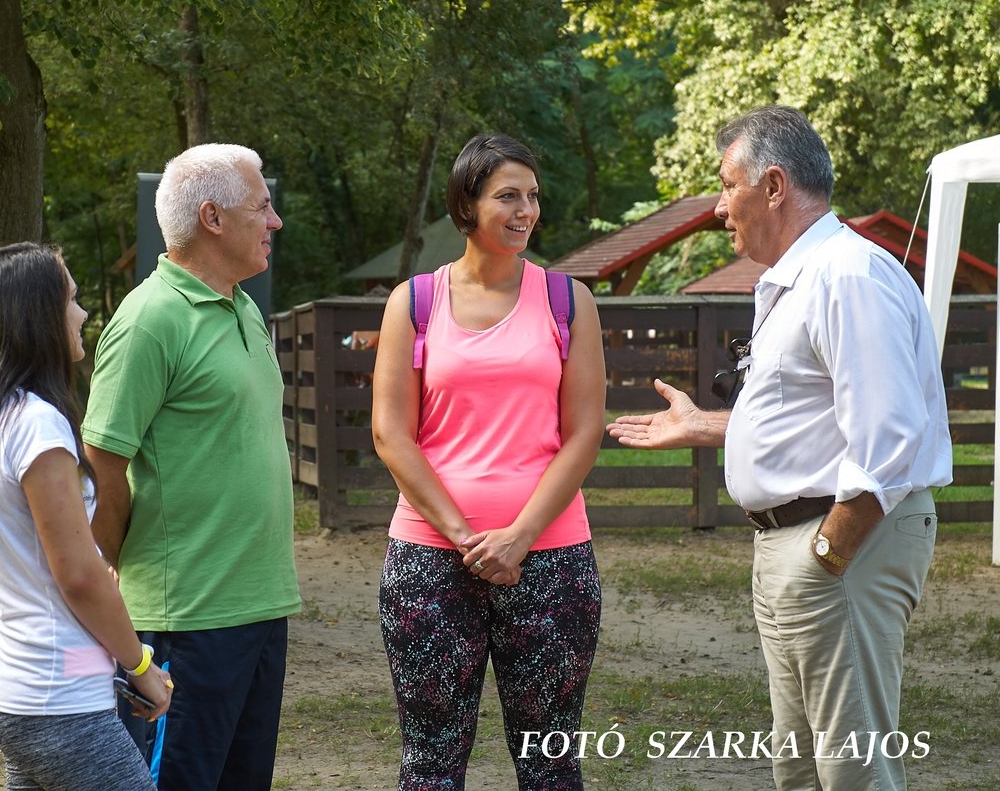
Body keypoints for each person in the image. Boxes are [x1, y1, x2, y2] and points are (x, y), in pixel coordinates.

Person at [607, 105, 951, 791]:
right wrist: (709, 427)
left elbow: (888, 434)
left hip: (840, 543)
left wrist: (829, 554)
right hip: (801, 544)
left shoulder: (847, 274)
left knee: (852, 769)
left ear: (772, 186)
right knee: (801, 768)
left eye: (725, 185)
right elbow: (816, 419)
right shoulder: (809, 274)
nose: (717, 207)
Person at [371, 133, 608, 790]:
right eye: (507, 196)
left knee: (550, 764)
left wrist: (519, 538)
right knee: (430, 765)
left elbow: (584, 432)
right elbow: (391, 434)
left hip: (551, 561)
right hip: (429, 563)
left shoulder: (568, 302)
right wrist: (465, 538)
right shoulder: (413, 304)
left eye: (533, 196)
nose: (525, 210)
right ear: (465, 206)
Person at [83, 143, 300, 791]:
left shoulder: (244, 307)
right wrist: (114, 579)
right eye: (263, 206)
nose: (275, 221)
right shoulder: (148, 320)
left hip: (261, 606)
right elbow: (103, 464)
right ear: (213, 217)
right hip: (186, 618)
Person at [0, 242, 173, 791]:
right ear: (36, 316)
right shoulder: (37, 425)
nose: (82, 314)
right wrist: (141, 667)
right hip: (56, 704)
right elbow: (78, 576)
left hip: (23, 689)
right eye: (72, 299)